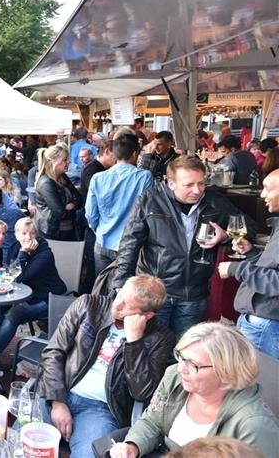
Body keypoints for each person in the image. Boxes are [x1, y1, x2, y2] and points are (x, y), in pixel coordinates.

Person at [113, 156, 257, 339]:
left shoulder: (215, 201)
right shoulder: (150, 200)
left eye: (201, 184)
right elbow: (129, 243)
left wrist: (225, 236)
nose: (197, 190)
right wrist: (120, 285)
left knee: (185, 349)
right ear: (171, 183)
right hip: (155, 292)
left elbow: (250, 227)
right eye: (189, 185)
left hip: (194, 292)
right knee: (152, 347)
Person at [40, 275, 174, 458]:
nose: (117, 305)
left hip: (100, 410)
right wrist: (57, 401)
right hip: (60, 390)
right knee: (17, 440)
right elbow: (53, 351)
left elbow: (141, 392)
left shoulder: (160, 338)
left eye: (127, 306)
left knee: (89, 454)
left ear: (147, 315)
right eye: (120, 296)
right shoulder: (89, 305)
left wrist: (135, 342)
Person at [109, 322, 279, 458]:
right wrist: (134, 445)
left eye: (193, 365)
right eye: (181, 357)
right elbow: (153, 422)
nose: (180, 369)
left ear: (226, 372)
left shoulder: (254, 425)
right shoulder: (174, 378)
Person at [217, 168, 279, 358]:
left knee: (261, 384)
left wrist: (237, 268)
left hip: (266, 325)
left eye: (268, 188)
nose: (262, 194)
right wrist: (251, 253)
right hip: (263, 323)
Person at [86, 134, 154, 273]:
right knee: (127, 291)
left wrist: (99, 230)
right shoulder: (144, 176)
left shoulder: (98, 178)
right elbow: (148, 211)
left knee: (101, 288)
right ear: (135, 153)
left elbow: (91, 214)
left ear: (114, 153)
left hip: (103, 241)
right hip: (131, 244)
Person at [0, 218, 66, 351]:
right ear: (16, 235)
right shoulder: (14, 247)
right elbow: (8, 273)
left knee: (12, 316)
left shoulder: (45, 253)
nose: (28, 237)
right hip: (25, 295)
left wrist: (23, 253)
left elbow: (21, 277)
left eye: (32, 233)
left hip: (48, 297)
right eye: (24, 233)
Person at [34, 143, 81, 241]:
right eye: (65, 160)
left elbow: (80, 199)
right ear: (54, 161)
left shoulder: (63, 177)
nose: (68, 162)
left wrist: (70, 207)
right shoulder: (46, 182)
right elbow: (60, 213)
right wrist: (73, 209)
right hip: (53, 233)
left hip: (68, 230)